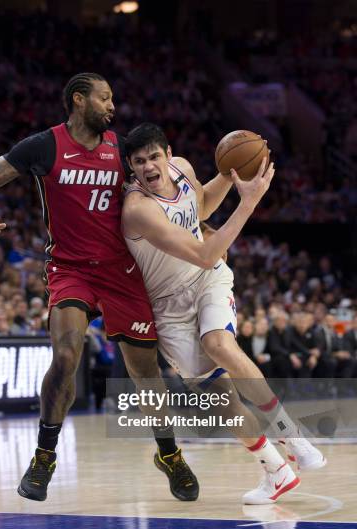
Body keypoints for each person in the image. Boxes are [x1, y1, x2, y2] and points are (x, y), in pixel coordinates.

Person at [0, 73, 198, 503]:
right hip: (70, 268)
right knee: (67, 353)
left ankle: (169, 455)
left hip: (120, 269)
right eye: (105, 98)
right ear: (79, 100)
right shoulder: (44, 146)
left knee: (144, 371)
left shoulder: (122, 149)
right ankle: (44, 456)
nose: (112, 105)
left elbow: (168, 192)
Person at [122, 123, 326, 504]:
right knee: (222, 401)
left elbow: (199, 208)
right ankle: (276, 470)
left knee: (219, 343)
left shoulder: (182, 168)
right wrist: (249, 202)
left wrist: (229, 176)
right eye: (138, 162)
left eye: (154, 157)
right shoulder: (138, 210)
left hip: (206, 281)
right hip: (169, 305)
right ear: (131, 168)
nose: (149, 166)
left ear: (168, 154)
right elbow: (204, 250)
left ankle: (291, 433)